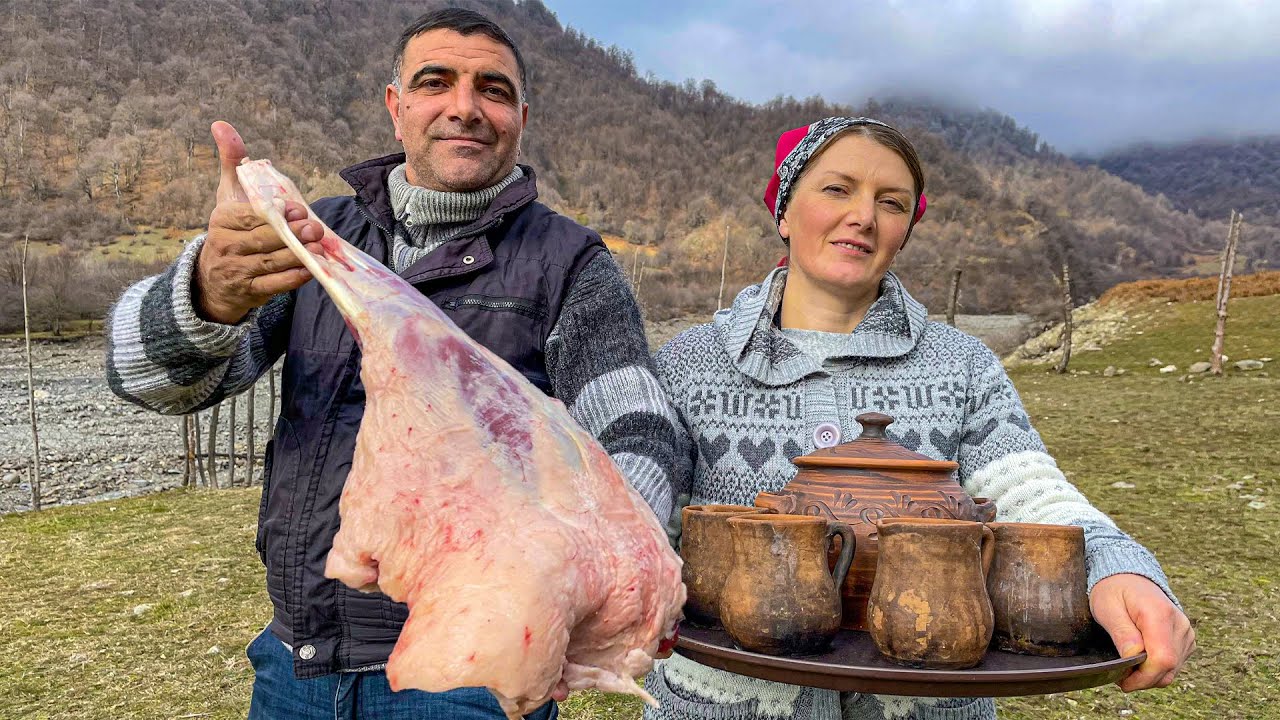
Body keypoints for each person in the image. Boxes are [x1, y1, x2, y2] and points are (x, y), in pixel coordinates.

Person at [105, 8, 687, 719]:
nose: (464, 108)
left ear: (521, 116)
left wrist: (582, 577)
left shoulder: (567, 264)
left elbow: (638, 427)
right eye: (435, 82)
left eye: (493, 90)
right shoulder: (313, 242)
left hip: (468, 678)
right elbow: (155, 385)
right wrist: (205, 296)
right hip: (297, 664)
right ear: (396, 105)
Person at [647, 117, 1195, 720]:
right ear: (783, 209)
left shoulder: (960, 366)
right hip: (722, 705)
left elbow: (1029, 495)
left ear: (905, 230)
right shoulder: (689, 365)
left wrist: (1117, 569)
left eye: (891, 203)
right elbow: (642, 522)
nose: (863, 216)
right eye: (837, 189)